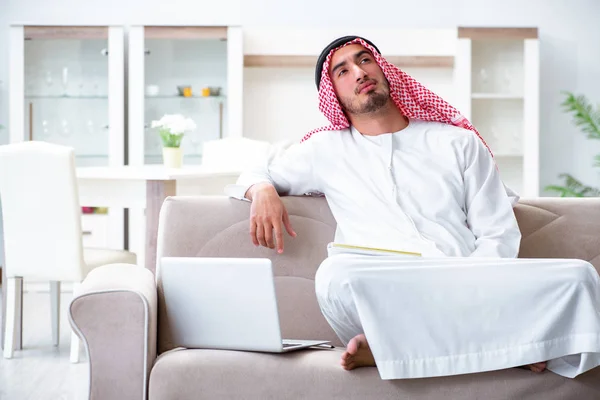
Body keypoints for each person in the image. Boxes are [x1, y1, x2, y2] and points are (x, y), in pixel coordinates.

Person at [225, 36, 600, 380]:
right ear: (332, 94)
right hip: (389, 280)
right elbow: (254, 169)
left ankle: (397, 346)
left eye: (365, 60)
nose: (359, 72)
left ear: (383, 69)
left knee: (580, 278)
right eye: (343, 70)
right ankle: (502, 344)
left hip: (469, 275)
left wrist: (474, 285)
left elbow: (497, 233)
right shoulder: (324, 150)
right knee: (336, 276)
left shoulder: (458, 142)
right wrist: (262, 190)